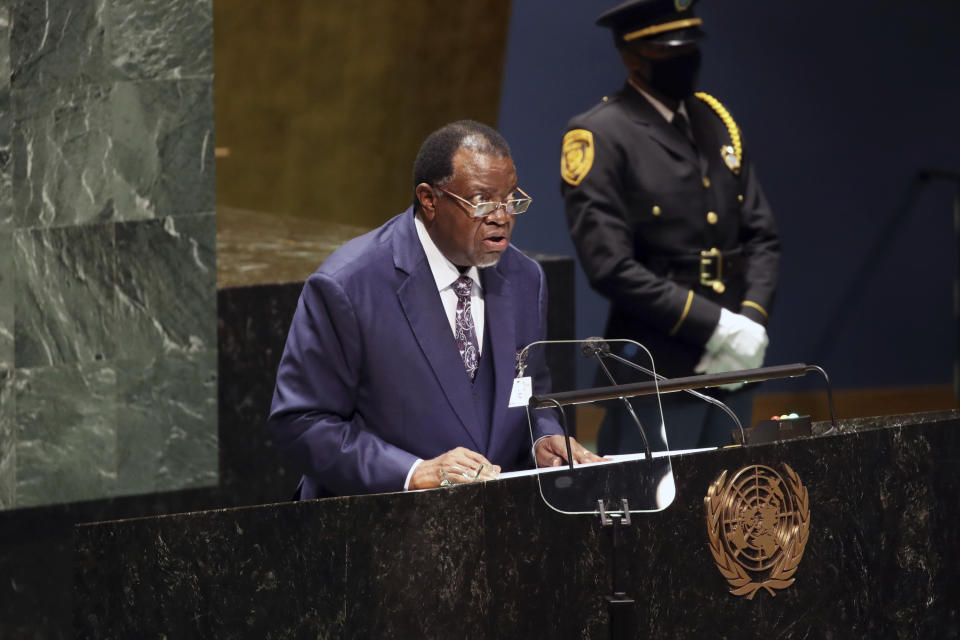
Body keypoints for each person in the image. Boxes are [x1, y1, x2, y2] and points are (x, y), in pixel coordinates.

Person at [270, 120, 602, 498]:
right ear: (429, 200)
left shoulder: (525, 278)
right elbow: (301, 422)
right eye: (482, 201)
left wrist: (543, 438)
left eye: (510, 199)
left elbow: (530, 393)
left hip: (493, 525)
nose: (502, 217)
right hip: (377, 525)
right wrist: (413, 472)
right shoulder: (348, 286)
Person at [561, 0, 780, 453]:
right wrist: (715, 327)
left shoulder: (714, 121)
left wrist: (749, 324)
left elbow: (761, 235)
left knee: (729, 505)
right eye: (668, 50)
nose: (685, 59)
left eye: (689, 47)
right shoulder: (601, 134)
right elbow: (610, 266)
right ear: (631, 56)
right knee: (648, 509)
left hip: (736, 361)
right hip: (656, 363)